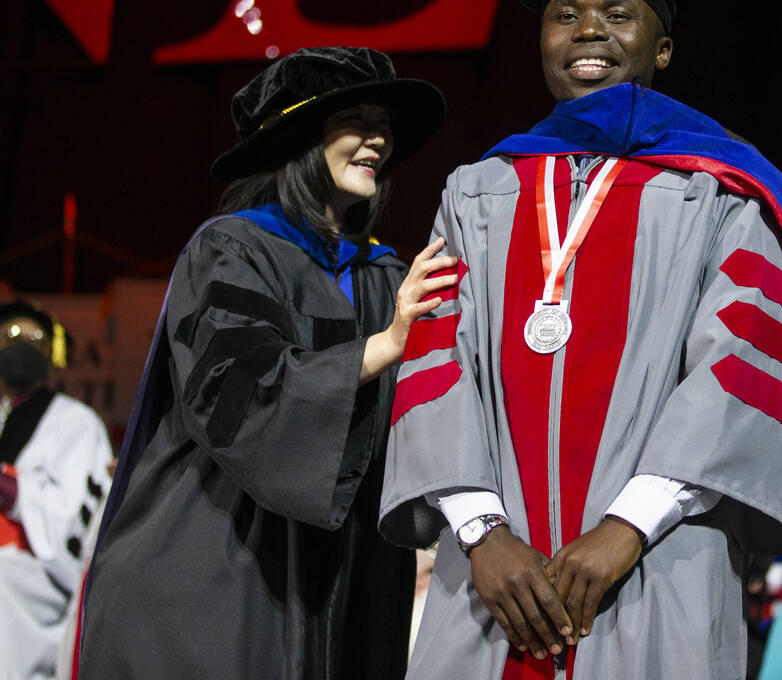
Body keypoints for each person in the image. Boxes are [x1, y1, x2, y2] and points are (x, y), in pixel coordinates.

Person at [378, 0, 782, 679]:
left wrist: (626, 529)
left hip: (655, 565)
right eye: (564, 14)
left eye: (617, 13)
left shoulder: (727, 196)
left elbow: (734, 369)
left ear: (662, 46)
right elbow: (438, 354)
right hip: (491, 581)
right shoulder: (478, 190)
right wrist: (481, 531)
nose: (587, 31)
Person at [79, 47, 454, 678]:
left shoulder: (387, 273)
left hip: (348, 583)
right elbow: (237, 390)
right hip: (216, 566)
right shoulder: (231, 249)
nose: (378, 138)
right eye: (356, 119)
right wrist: (385, 345)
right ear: (304, 135)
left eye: (383, 124)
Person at [0, 301, 111, 680]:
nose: (23, 344)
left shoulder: (77, 423)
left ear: (51, 353)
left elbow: (79, 524)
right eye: (12, 336)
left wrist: (14, 491)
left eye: (35, 338)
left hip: (33, 578)